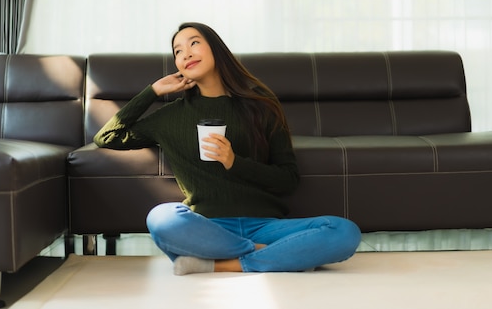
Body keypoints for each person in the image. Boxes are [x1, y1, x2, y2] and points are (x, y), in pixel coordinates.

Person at [94, 22, 361, 275]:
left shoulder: (261, 106)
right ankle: (273, 255)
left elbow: (287, 180)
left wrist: (235, 162)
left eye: (194, 43)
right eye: (177, 51)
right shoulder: (169, 117)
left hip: (265, 225)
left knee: (344, 231)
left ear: (216, 49)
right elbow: (107, 136)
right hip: (208, 227)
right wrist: (152, 91)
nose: (186, 54)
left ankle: (220, 265)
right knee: (161, 217)